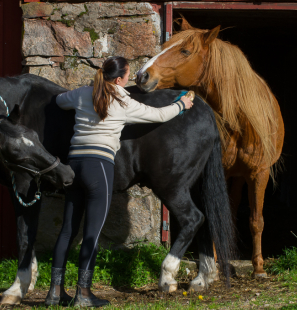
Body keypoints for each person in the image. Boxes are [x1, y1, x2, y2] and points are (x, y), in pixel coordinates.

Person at [45, 56, 194, 307]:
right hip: (99, 167)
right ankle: (83, 294)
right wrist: (182, 104)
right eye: (127, 76)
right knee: (91, 233)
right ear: (118, 79)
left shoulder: (83, 93)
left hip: (73, 167)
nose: (129, 79)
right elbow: (158, 115)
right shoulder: (123, 101)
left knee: (68, 230)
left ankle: (55, 292)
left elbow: (59, 100)